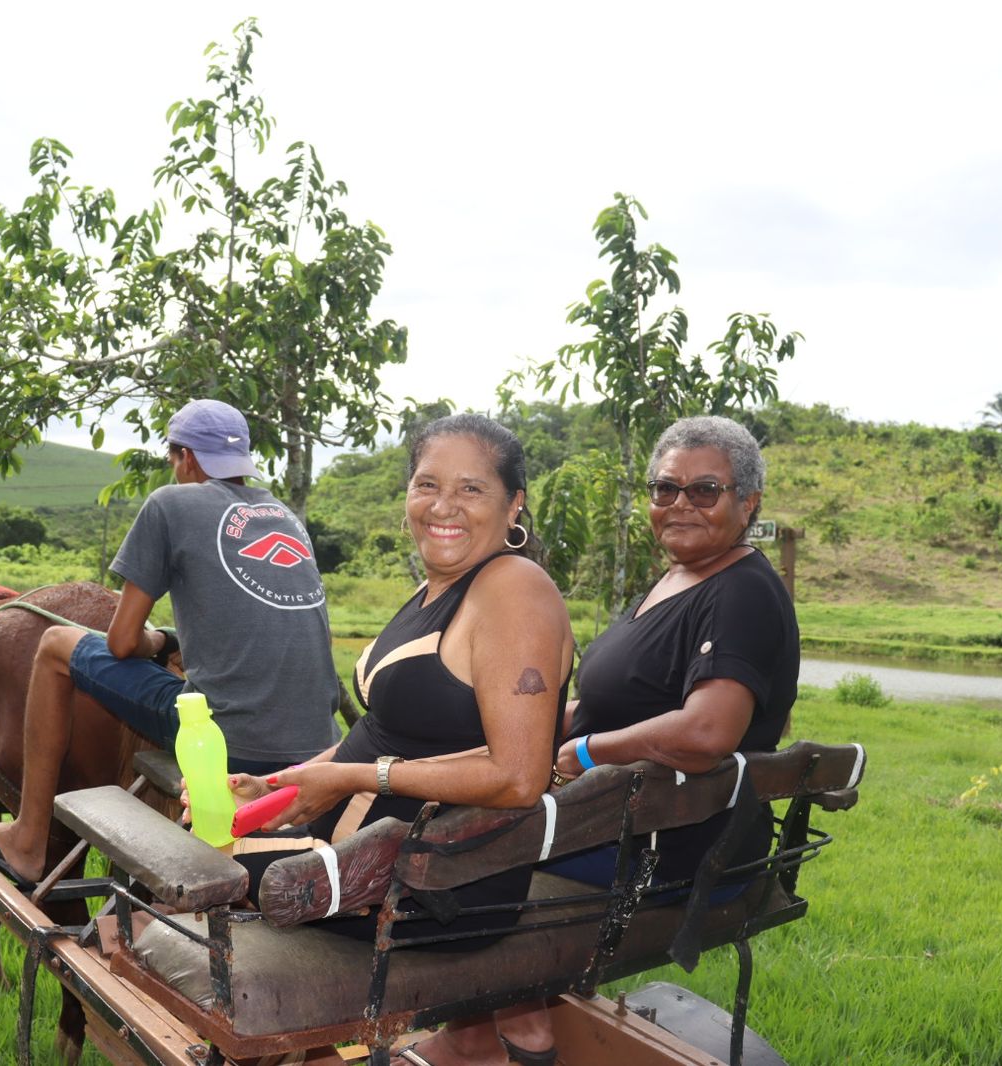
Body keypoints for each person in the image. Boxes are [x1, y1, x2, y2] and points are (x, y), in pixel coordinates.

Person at [476, 414, 801, 1066]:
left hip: (672, 844)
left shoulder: (742, 593)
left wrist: (592, 751)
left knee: (455, 850)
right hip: (623, 820)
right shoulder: (680, 577)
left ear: (748, 502)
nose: (679, 504)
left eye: (704, 490)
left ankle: (521, 1029)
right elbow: (615, 698)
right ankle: (483, 1030)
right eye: (664, 488)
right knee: (460, 806)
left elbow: (707, 731)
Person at [0, 398, 342, 884]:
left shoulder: (170, 503)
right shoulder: (284, 514)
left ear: (186, 458)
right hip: (321, 742)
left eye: (174, 459)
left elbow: (122, 642)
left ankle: (27, 840)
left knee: (56, 646)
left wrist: (154, 640)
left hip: (232, 738)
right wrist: (173, 639)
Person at [219, 413, 575, 959]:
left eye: (471, 488)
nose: (443, 505)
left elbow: (519, 778)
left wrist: (351, 777)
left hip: (425, 883)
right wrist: (278, 788)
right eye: (427, 484)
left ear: (513, 505)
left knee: (192, 865)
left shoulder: (515, 590)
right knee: (189, 838)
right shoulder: (435, 589)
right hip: (358, 857)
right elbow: (385, 731)